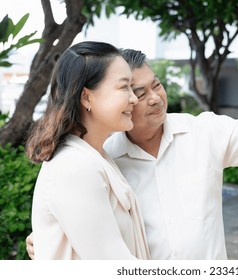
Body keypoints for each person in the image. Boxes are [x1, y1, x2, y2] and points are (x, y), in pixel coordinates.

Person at [27, 30, 238, 260]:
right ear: (88, 97)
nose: (151, 98)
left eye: (155, 85)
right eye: (134, 91)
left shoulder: (203, 132)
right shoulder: (102, 158)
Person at [25, 41, 150, 260]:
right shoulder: (75, 166)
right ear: (86, 97)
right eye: (123, 87)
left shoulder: (95, 156)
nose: (133, 98)